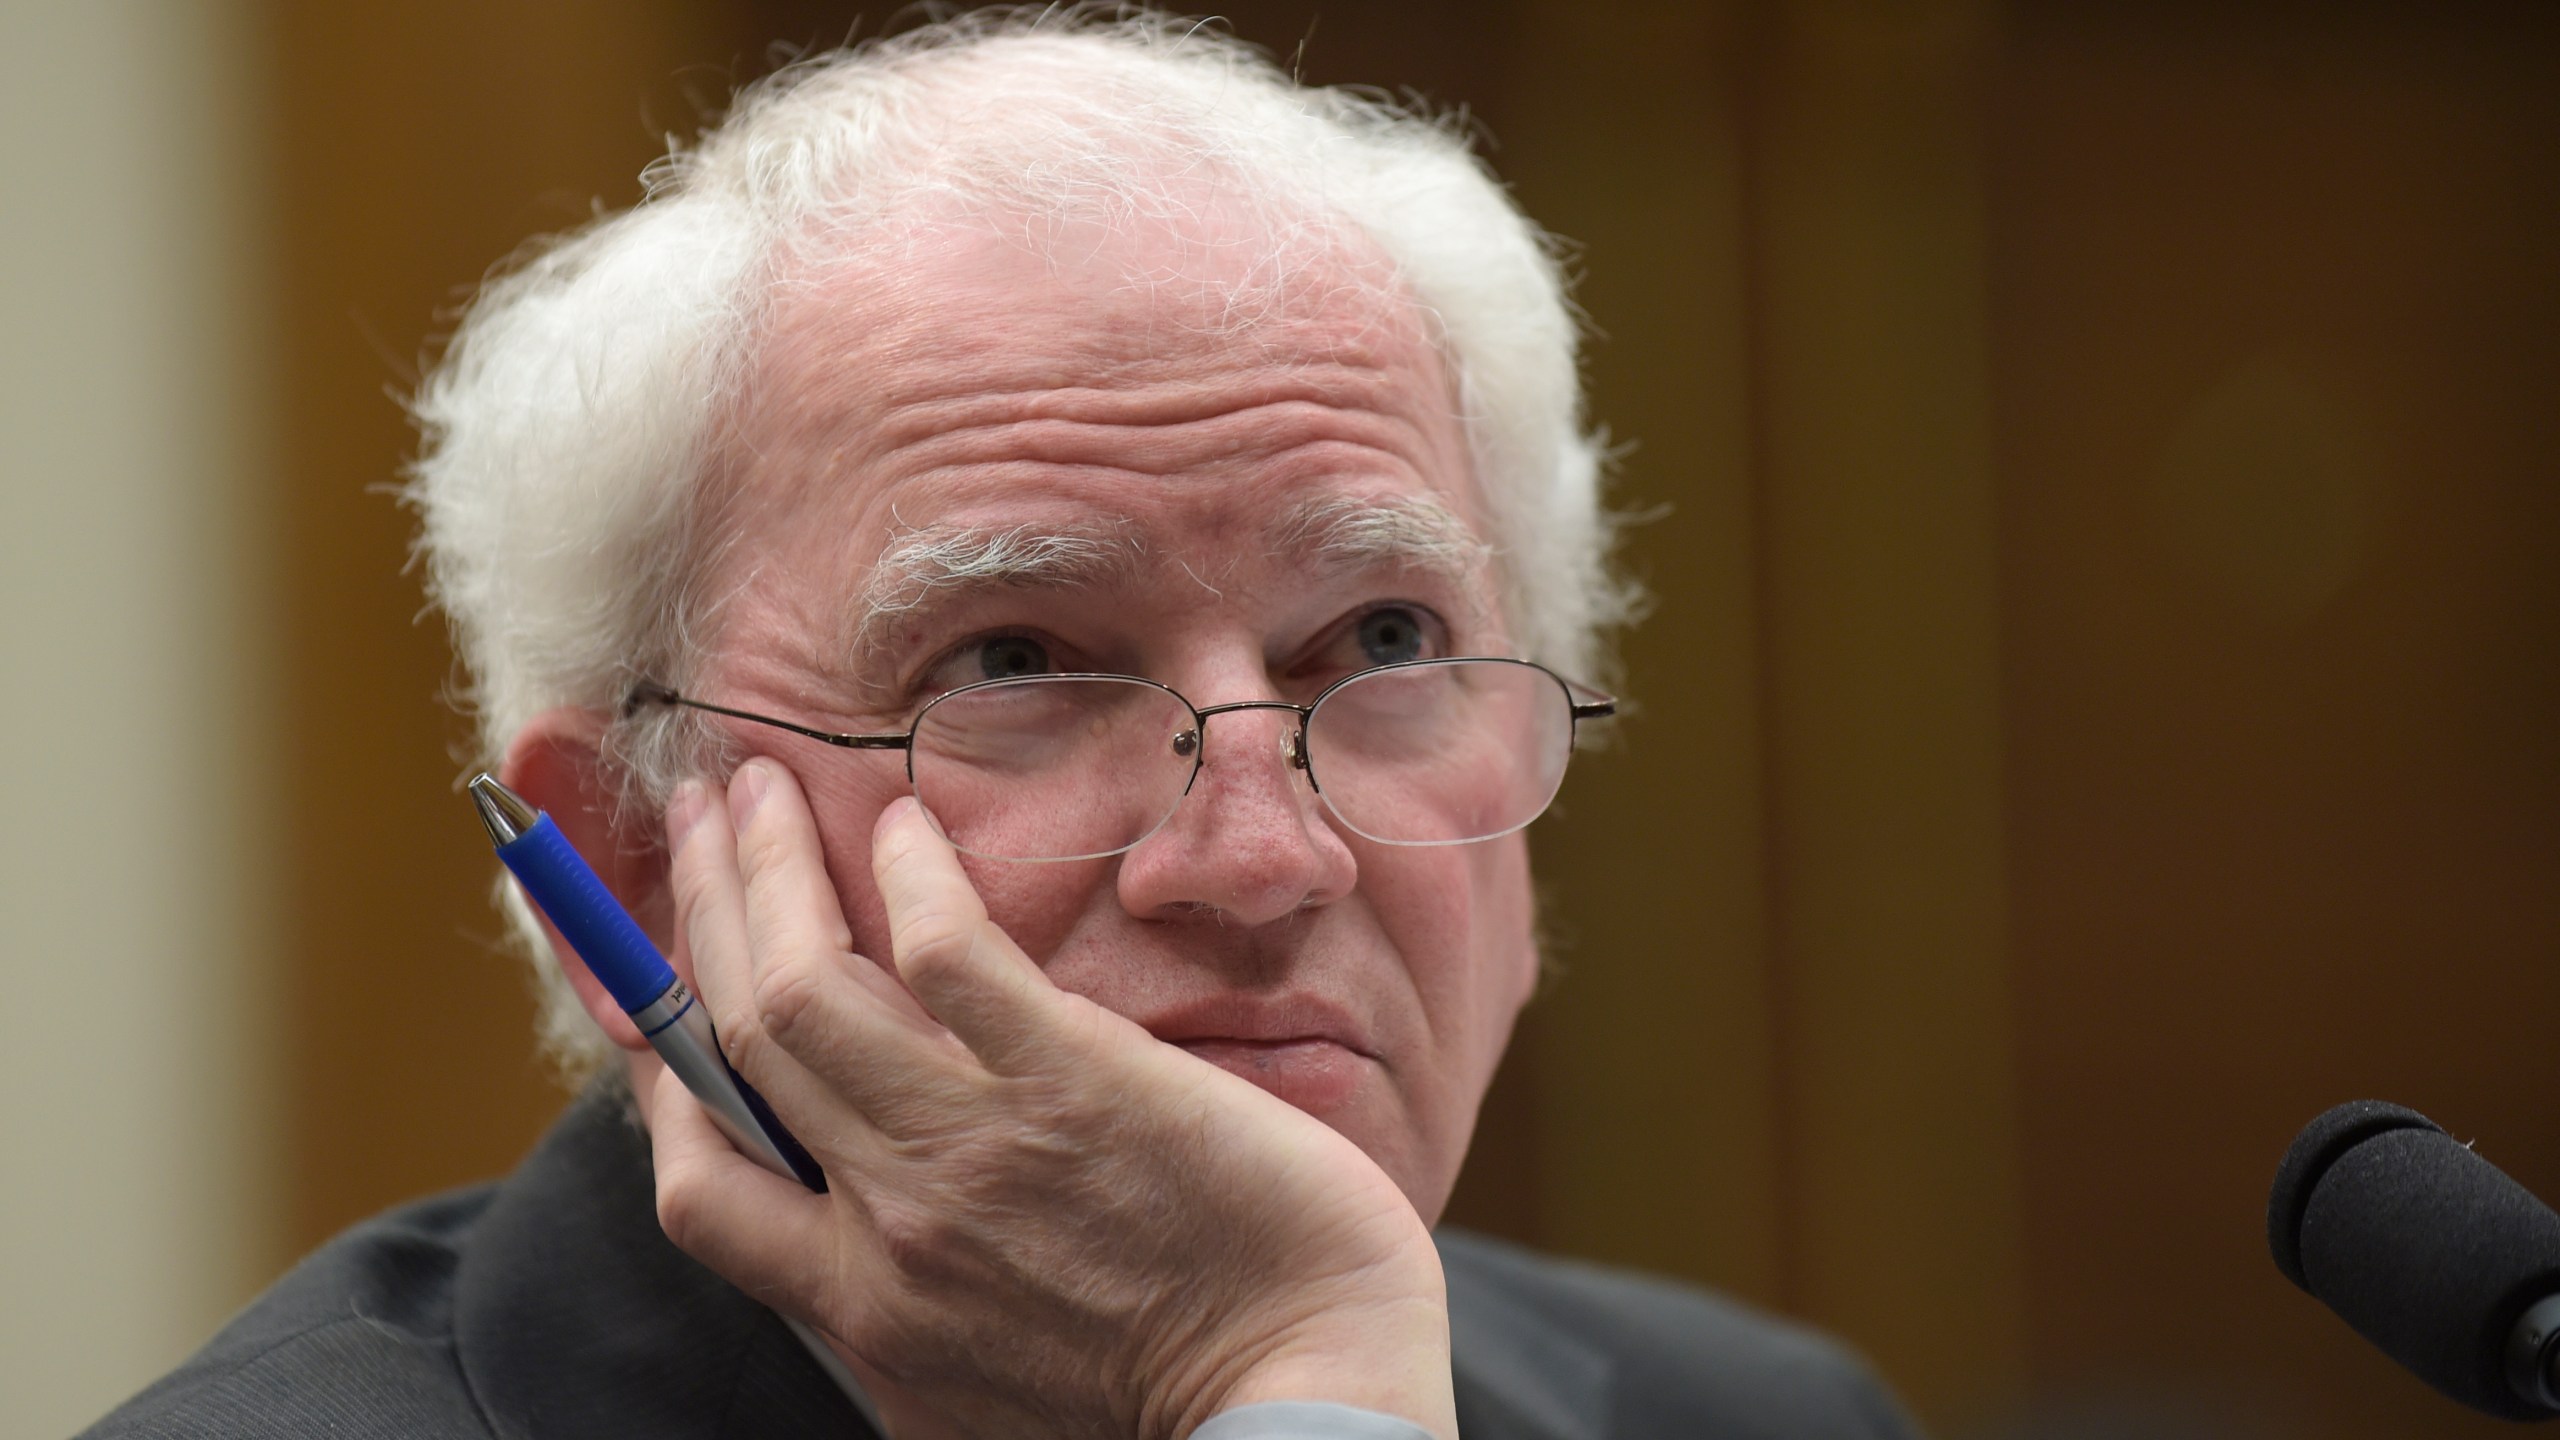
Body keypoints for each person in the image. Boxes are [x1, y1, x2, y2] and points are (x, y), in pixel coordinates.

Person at [86, 12, 1918, 1439]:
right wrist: (1286, 1373)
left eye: (1381, 633)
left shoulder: (1763, 1415)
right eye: (1017, 662)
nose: (1268, 856)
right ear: (636, 858)